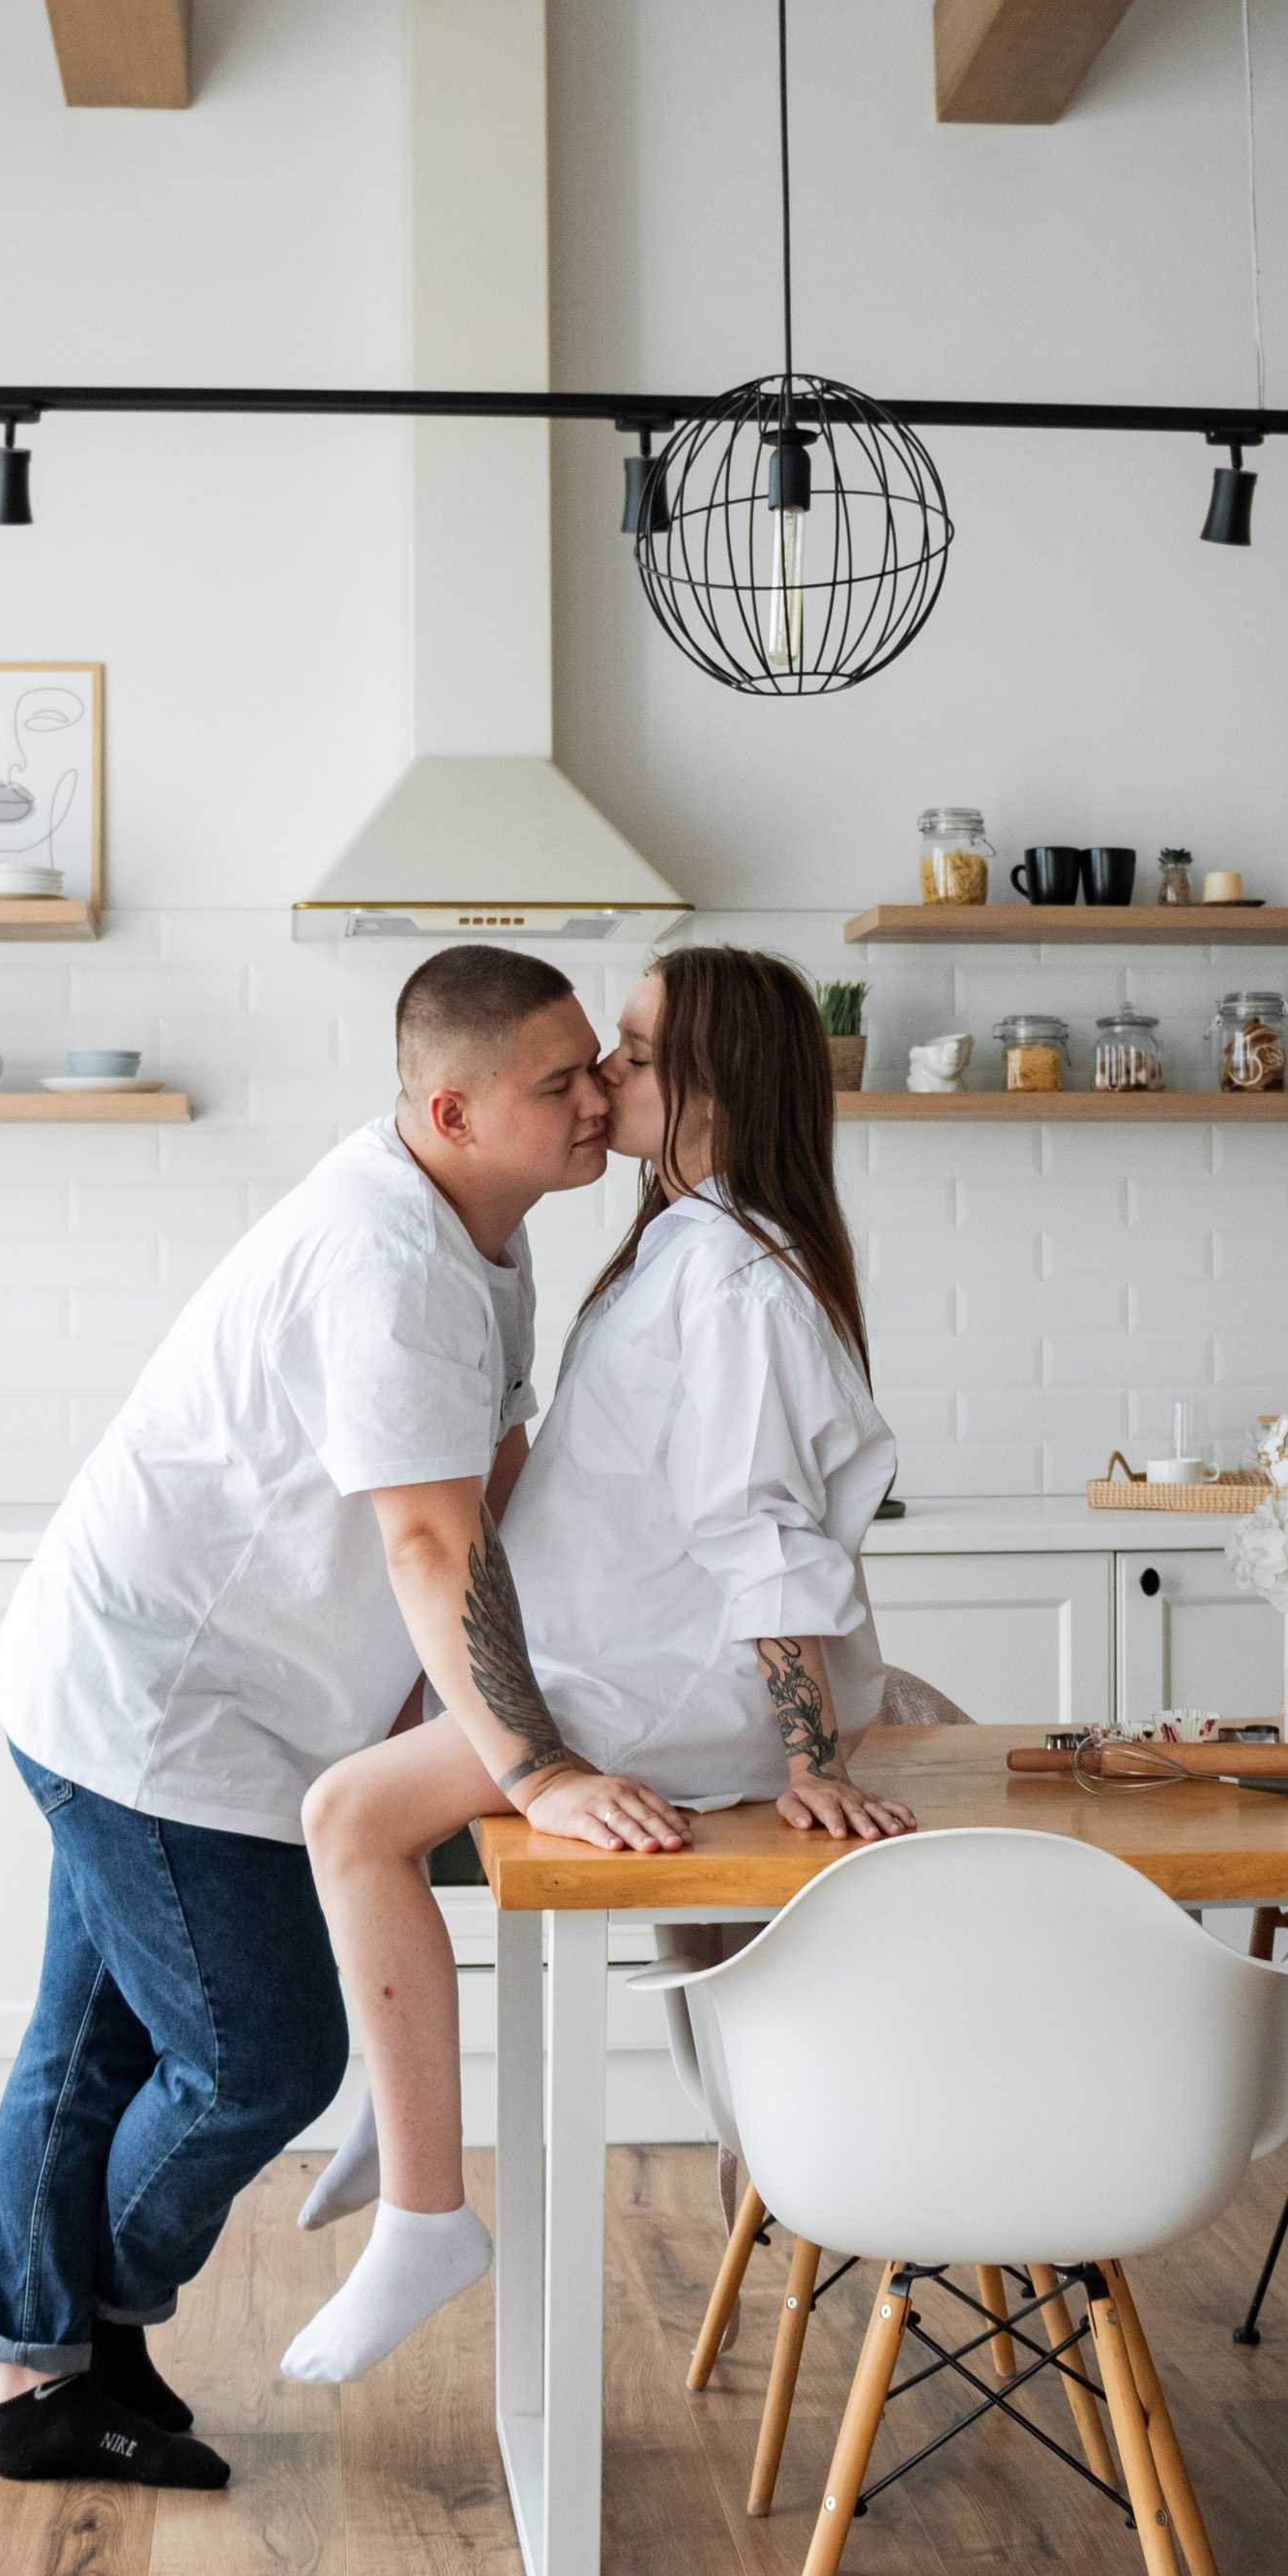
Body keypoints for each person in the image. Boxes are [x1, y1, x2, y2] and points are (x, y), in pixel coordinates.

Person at [0, 942, 681, 2491]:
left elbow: (475, 1502)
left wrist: (456, 1725)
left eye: (597, 1065)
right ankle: (84, 2328)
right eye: (558, 1081)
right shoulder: (396, 1263)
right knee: (254, 2061)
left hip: (201, 1689)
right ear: (451, 1106)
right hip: (155, 1704)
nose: (594, 1098)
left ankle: (47, 2379)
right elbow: (428, 1543)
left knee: (86, 2055)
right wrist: (534, 1762)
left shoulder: (483, 1228)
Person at [283, 943, 915, 2388]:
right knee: (354, 1772)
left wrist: (812, 1757)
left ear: (716, 1085)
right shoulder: (686, 1243)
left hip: (662, 1688)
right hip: (619, 1659)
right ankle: (399, 2100)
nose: (605, 1079)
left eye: (631, 1051)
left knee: (347, 1817)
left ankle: (426, 2208)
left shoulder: (736, 1275)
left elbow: (760, 1532)